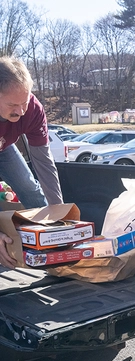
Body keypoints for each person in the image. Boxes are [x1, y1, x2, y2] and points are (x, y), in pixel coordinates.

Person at [0, 56, 63, 268]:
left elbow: (44, 164)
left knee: (29, 186)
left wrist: (60, 217)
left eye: (23, 103)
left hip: (4, 147)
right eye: (12, 105)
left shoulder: (33, 110)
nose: (20, 111)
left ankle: (51, 242)